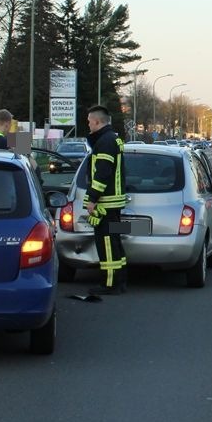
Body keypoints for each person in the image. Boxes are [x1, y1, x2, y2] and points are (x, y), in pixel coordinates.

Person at [84, 105, 128, 294]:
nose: (88, 124)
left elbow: (102, 173)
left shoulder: (105, 142)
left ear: (96, 121)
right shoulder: (112, 139)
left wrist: (92, 198)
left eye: (89, 121)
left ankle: (110, 284)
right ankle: (120, 280)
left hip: (106, 203)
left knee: (107, 243)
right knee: (115, 242)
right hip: (113, 202)